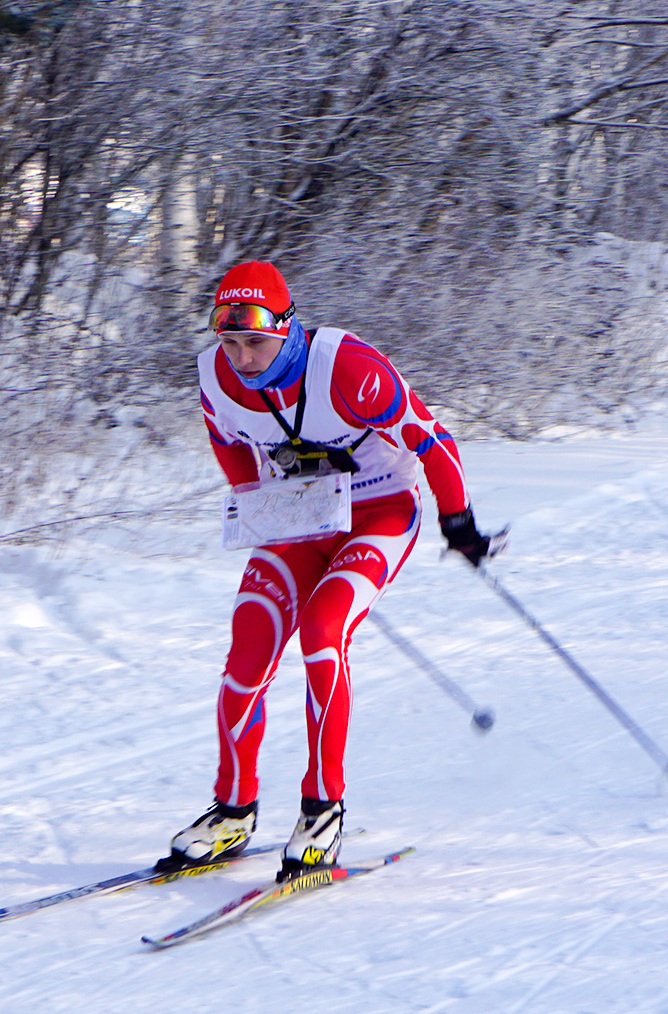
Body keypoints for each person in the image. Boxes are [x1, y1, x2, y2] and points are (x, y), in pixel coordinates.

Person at [160, 260, 497, 883]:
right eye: (229, 341)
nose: (243, 357)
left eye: (256, 341)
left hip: (380, 514)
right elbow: (230, 446)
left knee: (322, 633)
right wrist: (262, 505)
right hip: (302, 517)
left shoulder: (346, 368)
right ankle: (233, 810)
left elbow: (434, 441)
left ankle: (322, 806)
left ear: (287, 329)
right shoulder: (215, 375)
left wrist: (459, 524)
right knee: (248, 651)